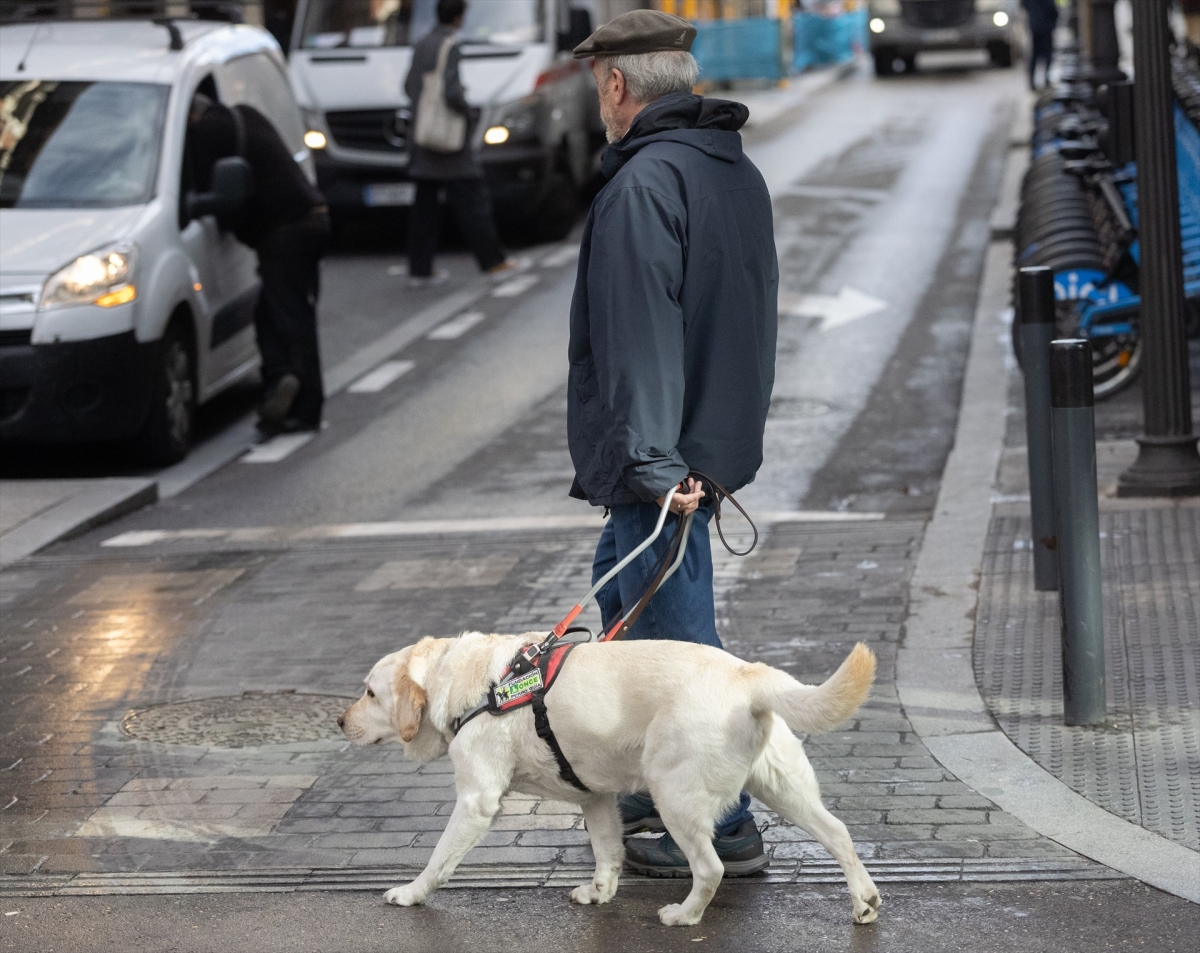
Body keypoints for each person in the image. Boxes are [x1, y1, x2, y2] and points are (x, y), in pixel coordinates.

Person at [566, 10, 778, 877]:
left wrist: (657, 470)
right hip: (699, 447)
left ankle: (720, 816)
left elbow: (643, 334)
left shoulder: (643, 185)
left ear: (618, 86)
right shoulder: (729, 170)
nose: (597, 103)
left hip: (661, 463)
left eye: (595, 88)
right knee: (624, 613)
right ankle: (657, 783)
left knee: (678, 640)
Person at [187, 94, 330, 435]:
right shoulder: (245, 114)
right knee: (272, 315)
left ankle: (305, 407)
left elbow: (211, 191)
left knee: (292, 318)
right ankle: (281, 381)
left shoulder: (206, 133)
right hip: (314, 218)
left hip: (284, 233)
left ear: (192, 116)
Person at [403, 0, 524, 288]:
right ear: (459, 17)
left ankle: (420, 269)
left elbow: (408, 86)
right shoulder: (450, 45)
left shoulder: (421, 44)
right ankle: (492, 260)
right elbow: (452, 92)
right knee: (473, 201)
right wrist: (468, 115)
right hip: (449, 144)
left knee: (424, 208)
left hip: (423, 138)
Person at [1022, 0, 1058, 91]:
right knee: (1047, 54)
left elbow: (1024, 5)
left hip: (1035, 27)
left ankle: (1032, 82)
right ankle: (1046, 80)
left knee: (1035, 55)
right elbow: (1052, 9)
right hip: (1045, 27)